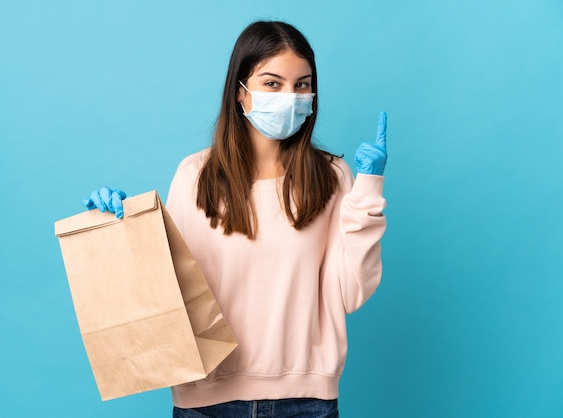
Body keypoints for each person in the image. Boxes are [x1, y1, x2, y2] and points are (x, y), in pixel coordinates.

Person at [84, 21, 387, 418]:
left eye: (301, 85)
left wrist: (368, 190)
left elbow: (351, 292)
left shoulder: (332, 178)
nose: (290, 97)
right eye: (273, 84)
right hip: (204, 402)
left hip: (305, 401)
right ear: (240, 92)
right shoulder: (195, 177)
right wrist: (121, 229)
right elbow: (166, 292)